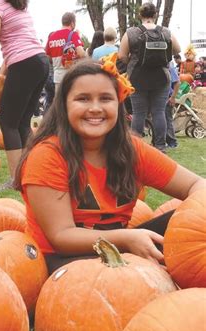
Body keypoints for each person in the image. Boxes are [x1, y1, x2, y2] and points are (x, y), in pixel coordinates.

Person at [14, 58, 206, 274]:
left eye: (105, 98)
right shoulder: (48, 155)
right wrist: (126, 239)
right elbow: (61, 236)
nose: (95, 108)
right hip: (59, 260)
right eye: (83, 99)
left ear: (118, 104)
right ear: (64, 105)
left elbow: (197, 185)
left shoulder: (131, 149)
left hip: (117, 250)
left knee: (196, 225)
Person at [0, 0, 50, 190]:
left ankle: (16, 180)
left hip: (24, 63)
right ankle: (32, 172)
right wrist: (4, 75)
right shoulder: (19, 5)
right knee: (22, 123)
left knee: (8, 123)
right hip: (41, 61)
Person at [118, 2, 180, 153]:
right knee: (159, 112)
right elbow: (177, 49)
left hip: (138, 77)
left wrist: (132, 62)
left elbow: (121, 55)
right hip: (161, 77)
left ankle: (136, 147)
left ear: (140, 15)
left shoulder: (132, 33)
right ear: (155, 15)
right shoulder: (166, 32)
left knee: (139, 113)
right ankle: (160, 147)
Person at [45, 12, 85, 93]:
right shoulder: (73, 34)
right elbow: (81, 54)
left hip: (57, 77)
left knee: (60, 103)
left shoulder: (52, 36)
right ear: (72, 23)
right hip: (71, 76)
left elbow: (48, 57)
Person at [165, 60, 180, 149]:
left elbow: (177, 83)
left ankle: (172, 142)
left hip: (168, 97)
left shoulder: (170, 66)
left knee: (167, 120)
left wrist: (173, 97)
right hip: (159, 98)